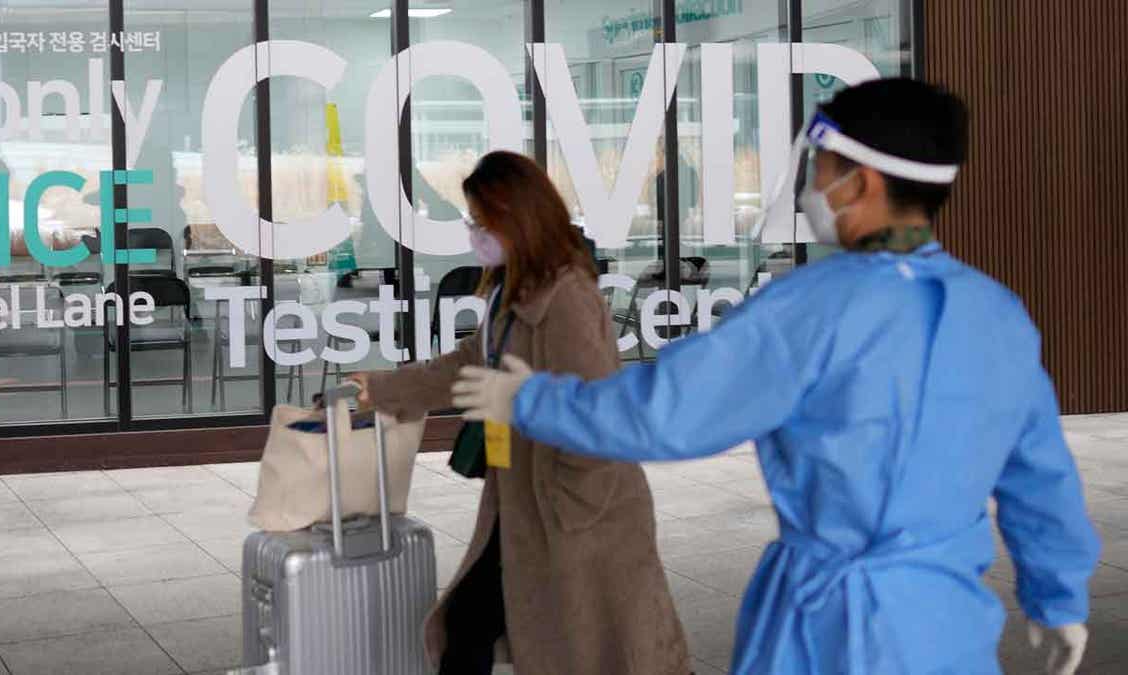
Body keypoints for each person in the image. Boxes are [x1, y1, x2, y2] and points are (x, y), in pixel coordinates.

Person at [451, 79, 1101, 674]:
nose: (809, 187)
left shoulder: (811, 308)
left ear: (861, 183)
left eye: (819, 169)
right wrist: (1058, 595)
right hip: (948, 626)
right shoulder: (996, 313)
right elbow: (1040, 473)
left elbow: (667, 410)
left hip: (826, 626)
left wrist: (530, 398)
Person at [351, 150, 690, 675]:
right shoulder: (515, 288)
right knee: (470, 628)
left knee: (614, 647)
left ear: (517, 219)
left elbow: (597, 408)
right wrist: (385, 387)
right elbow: (470, 363)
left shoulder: (567, 298)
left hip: (578, 512)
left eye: (481, 223)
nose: (473, 234)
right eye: (471, 221)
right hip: (524, 500)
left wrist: (571, 503)